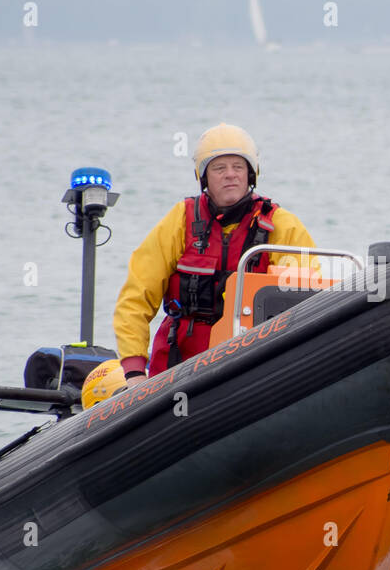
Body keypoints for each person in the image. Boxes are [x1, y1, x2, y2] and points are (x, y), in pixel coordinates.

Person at [113, 124, 316, 384]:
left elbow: (305, 296)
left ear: (251, 174)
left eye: (238, 167)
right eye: (219, 168)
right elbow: (135, 299)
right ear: (204, 177)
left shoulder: (281, 225)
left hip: (251, 362)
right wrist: (133, 371)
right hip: (179, 365)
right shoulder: (180, 221)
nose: (230, 175)